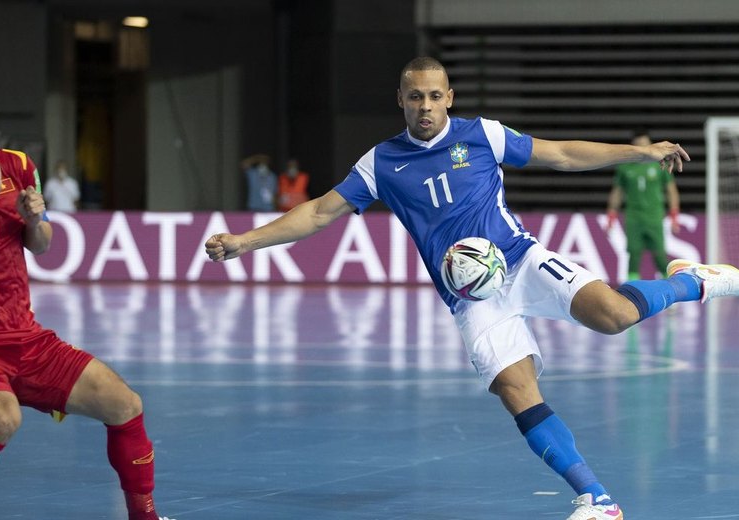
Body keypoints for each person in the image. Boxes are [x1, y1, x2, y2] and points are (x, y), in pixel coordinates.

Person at [206, 56, 739, 519]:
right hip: (470, 296)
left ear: (449, 98)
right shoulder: (381, 163)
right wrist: (247, 241)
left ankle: (692, 280)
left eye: (435, 96)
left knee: (614, 316)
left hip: (520, 260)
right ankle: (597, 499)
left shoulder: (479, 134)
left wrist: (639, 152)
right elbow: (321, 212)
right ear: (400, 100)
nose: (426, 106)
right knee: (517, 392)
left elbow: (560, 154)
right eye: (415, 96)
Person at [0, 65, 172, 520]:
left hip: (25, 336)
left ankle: (144, 517)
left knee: (125, 404)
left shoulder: (20, 165)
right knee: (2, 419)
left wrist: (33, 219)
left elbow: (41, 246)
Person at [606, 130, 681, 280]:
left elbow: (671, 190)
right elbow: (617, 193)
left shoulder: (661, 165)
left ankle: (672, 286)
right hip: (633, 217)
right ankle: (632, 290)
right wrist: (611, 216)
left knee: (659, 254)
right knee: (633, 254)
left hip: (654, 216)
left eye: (646, 145)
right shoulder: (625, 167)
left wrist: (674, 216)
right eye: (639, 146)